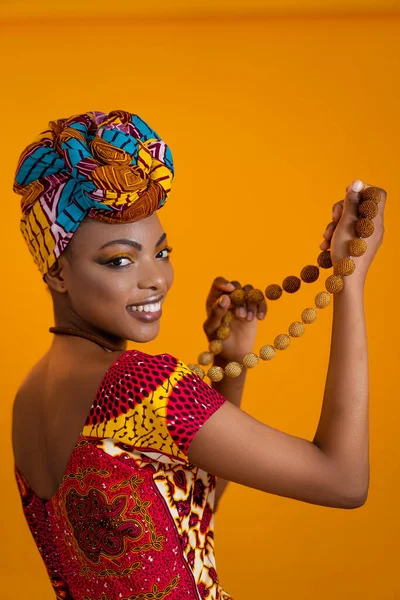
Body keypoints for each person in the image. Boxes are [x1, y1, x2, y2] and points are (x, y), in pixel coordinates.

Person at [11, 109, 386, 600]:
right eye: (120, 260)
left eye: (161, 253)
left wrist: (231, 362)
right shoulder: (139, 384)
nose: (156, 279)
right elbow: (344, 481)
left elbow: (182, 513)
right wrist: (350, 281)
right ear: (57, 272)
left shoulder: (29, 396)